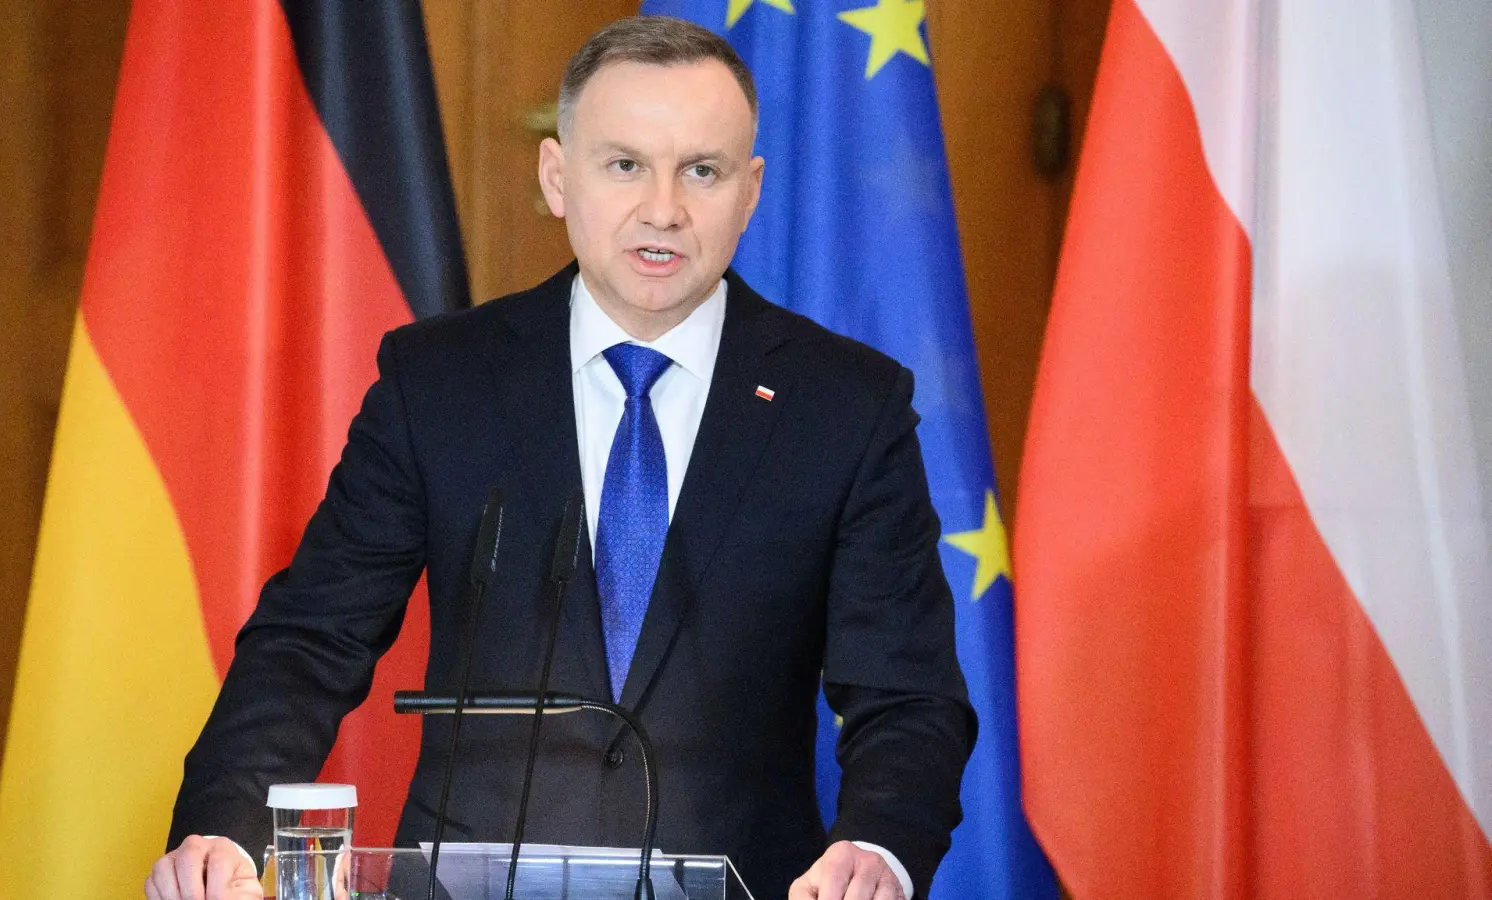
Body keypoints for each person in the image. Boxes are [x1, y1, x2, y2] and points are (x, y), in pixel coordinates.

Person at [146, 15, 975, 900]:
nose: (664, 207)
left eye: (703, 170)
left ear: (751, 192)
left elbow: (906, 695)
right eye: (625, 165)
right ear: (556, 177)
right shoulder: (440, 382)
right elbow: (310, 641)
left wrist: (880, 846)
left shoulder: (844, 405)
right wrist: (223, 824)